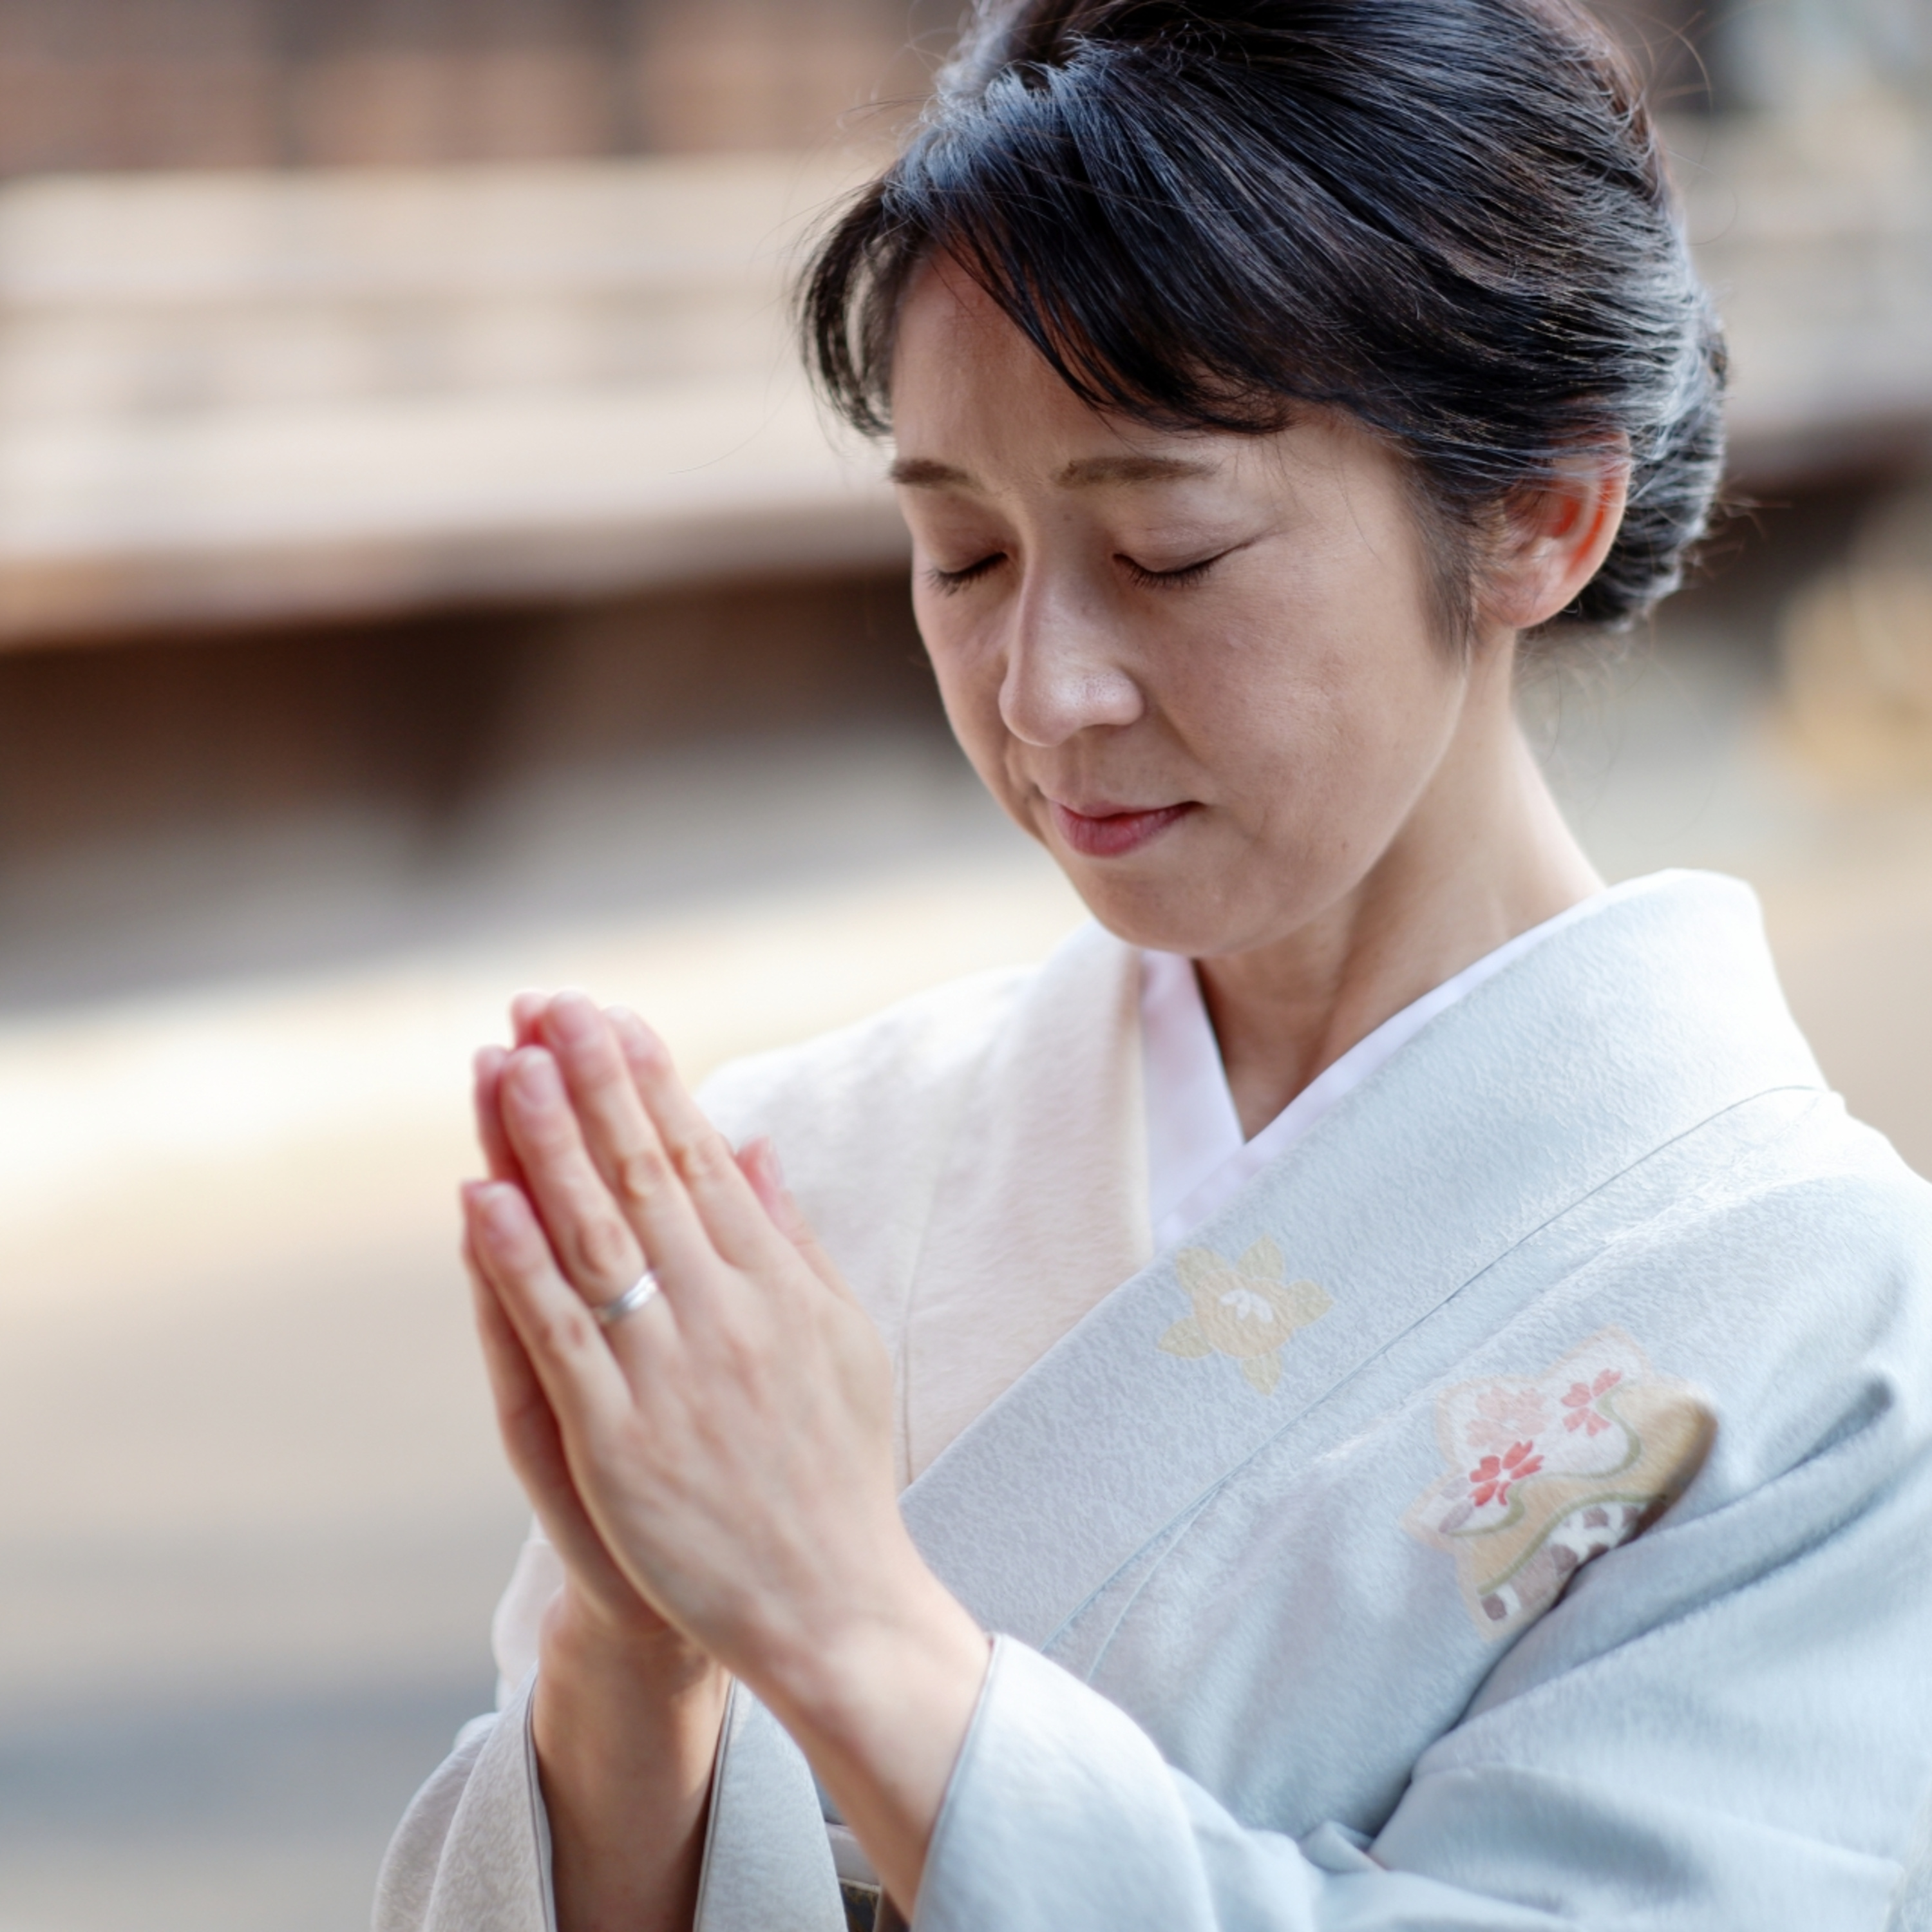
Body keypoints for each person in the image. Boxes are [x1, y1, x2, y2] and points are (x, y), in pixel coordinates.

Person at [376, 3, 1932, 1927]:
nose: (1043, 694)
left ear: (1540, 515)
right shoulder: (805, 1173)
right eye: (962, 558)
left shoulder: (1823, 1317)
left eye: (1169, 555)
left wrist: (848, 1625)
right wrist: (631, 1661)